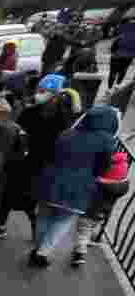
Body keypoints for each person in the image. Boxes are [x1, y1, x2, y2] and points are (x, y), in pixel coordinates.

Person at [31, 105, 120, 268]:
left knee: (44, 215)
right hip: (79, 186)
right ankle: (43, 251)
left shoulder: (67, 133)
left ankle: (38, 247)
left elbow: (52, 154)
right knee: (63, 220)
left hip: (50, 180)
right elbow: (102, 168)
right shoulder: (107, 141)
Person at [2, 74, 73, 242]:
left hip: (42, 165)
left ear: (57, 95)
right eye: (39, 90)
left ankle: (33, 229)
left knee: (30, 199)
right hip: (23, 162)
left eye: (45, 91)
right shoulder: (31, 112)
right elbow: (17, 133)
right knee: (10, 195)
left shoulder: (63, 118)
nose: (40, 94)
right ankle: (3, 224)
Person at [73, 143, 130, 266]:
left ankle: (79, 253)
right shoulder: (122, 185)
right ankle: (87, 241)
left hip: (90, 210)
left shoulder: (99, 184)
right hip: (104, 212)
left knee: (82, 230)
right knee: (91, 226)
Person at [108, 18, 135, 90]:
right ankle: (113, 87)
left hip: (123, 56)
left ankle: (114, 87)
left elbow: (113, 45)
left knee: (119, 72)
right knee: (117, 72)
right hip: (121, 56)